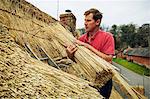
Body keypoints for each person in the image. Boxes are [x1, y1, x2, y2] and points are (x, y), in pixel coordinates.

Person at [66, 8, 115, 99]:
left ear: (97, 22)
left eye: (88, 20)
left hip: (103, 81)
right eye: (85, 20)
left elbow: (109, 59)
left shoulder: (107, 37)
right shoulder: (81, 39)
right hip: (86, 78)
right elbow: (75, 59)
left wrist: (87, 46)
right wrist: (70, 54)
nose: (85, 23)